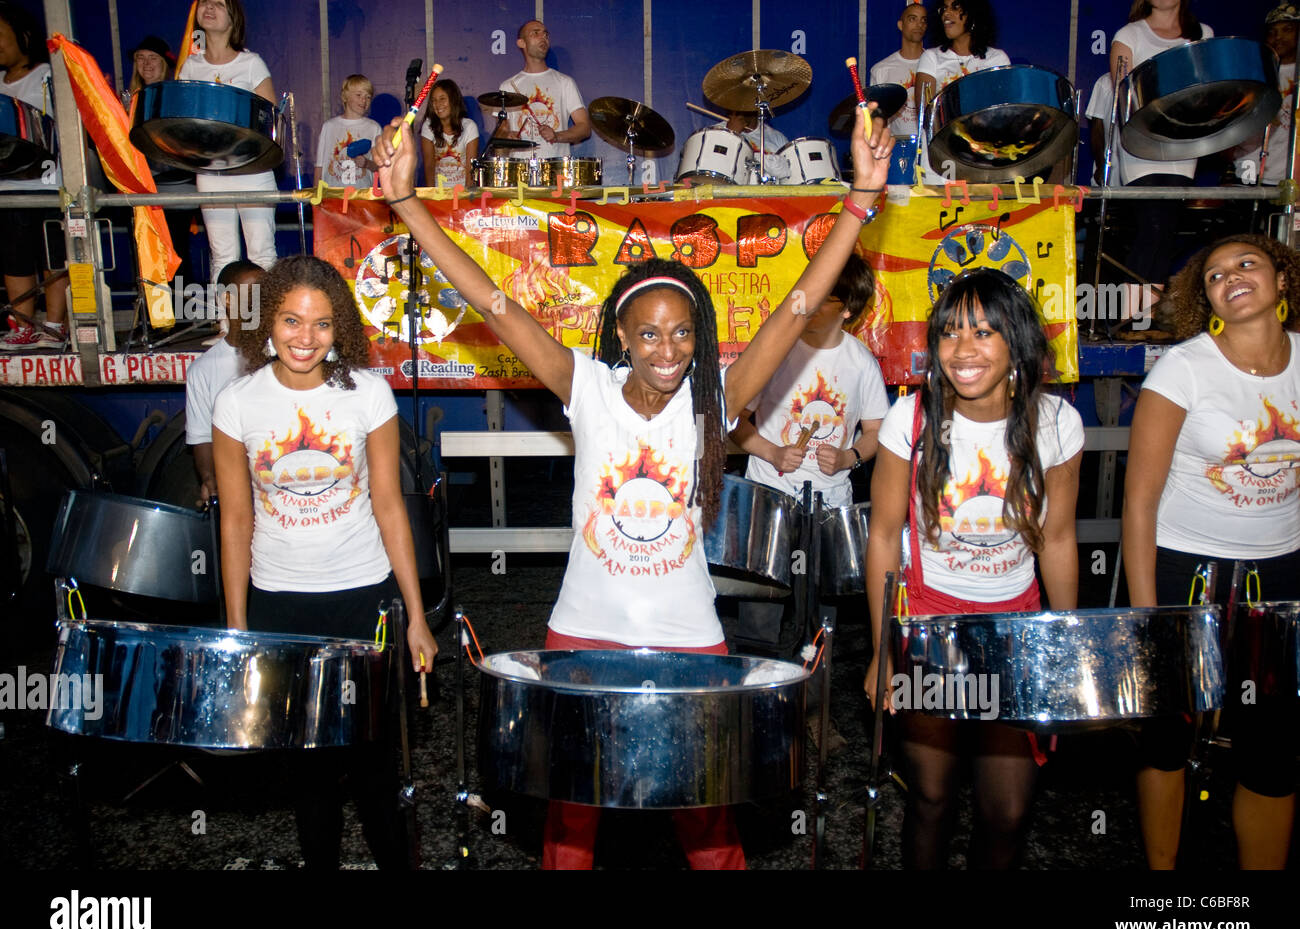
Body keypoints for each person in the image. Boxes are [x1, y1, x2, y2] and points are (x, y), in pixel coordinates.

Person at [374, 93, 894, 869]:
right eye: (648, 332)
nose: (667, 348)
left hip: (690, 638)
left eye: (682, 333)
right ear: (620, 332)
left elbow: (795, 307)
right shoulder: (585, 387)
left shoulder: (713, 399)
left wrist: (859, 202)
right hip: (582, 634)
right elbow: (494, 300)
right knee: (568, 831)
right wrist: (409, 204)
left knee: (712, 830)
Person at [212, 255, 436, 870]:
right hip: (280, 603)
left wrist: (416, 616)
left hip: (364, 598)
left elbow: (391, 505)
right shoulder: (237, 403)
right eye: (290, 320)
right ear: (268, 323)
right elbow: (235, 521)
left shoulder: (369, 393)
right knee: (308, 778)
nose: (304, 338)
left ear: (341, 328)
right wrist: (237, 629)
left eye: (321, 324)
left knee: (375, 770)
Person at [865, 268, 1083, 869]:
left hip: (1016, 632)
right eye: (951, 332)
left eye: (985, 333)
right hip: (930, 631)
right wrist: (886, 649)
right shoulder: (909, 420)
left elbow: (1059, 540)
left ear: (1017, 343)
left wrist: (1066, 645)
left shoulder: (1056, 423)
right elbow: (883, 536)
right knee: (931, 798)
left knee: (1007, 812)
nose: (964, 349)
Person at [1123, 233, 1300, 870]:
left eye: (1246, 264)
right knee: (1169, 739)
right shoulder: (1184, 369)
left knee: (1273, 750)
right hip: (1186, 570)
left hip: (1282, 574)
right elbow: (1138, 503)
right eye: (1215, 276)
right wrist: (1150, 619)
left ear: (1282, 277)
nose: (1230, 277)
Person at [730, 252, 888, 658]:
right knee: (760, 614)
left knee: (821, 620)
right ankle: (757, 693)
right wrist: (772, 451)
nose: (807, 304)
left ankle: (813, 701)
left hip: (829, 507)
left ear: (848, 309)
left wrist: (850, 456)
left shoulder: (860, 363)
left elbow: (876, 432)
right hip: (770, 499)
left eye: (822, 300)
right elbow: (733, 420)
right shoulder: (777, 351)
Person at [1109, 1, 1213, 289]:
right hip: (1142, 145)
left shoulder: (1202, 33)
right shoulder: (1129, 34)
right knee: (1151, 228)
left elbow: (1209, 89)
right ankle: (1132, 319)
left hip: (1183, 145)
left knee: (1166, 232)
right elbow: (1123, 94)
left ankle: (1148, 318)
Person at [179, 0, 277, 278]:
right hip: (211, 172)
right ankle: (226, 322)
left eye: (219, 4)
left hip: (253, 170)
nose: (209, 7)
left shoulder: (250, 63)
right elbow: (185, 124)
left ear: (233, 17)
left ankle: (265, 321)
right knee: (222, 254)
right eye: (205, 2)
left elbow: (269, 120)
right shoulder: (191, 67)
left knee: (262, 253)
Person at [0, 1, 68, 350]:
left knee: (51, 257)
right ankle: (23, 324)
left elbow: (60, 130)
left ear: (23, 36)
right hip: (8, 187)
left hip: (44, 183)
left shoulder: (46, 75)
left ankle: (54, 325)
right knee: (15, 259)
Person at [185, 260, 266, 503]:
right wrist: (210, 480)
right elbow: (201, 437)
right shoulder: (203, 369)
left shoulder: (285, 353)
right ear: (227, 298)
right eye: (252, 291)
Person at [126, 35, 199, 290]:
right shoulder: (129, 101)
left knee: (174, 253)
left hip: (176, 190)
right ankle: (156, 317)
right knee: (144, 256)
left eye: (152, 58)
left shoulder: (177, 98)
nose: (146, 64)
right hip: (141, 192)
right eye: (140, 58)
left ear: (165, 64)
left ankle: (182, 318)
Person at [914, 0, 1009, 184]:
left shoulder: (996, 59)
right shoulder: (932, 57)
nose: (946, 14)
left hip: (983, 162)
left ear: (974, 14)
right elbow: (925, 111)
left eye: (955, 7)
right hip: (939, 162)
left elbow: (1001, 114)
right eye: (944, 8)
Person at [498, 19, 590, 161]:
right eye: (536, 33)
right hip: (520, 171)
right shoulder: (508, 86)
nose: (543, 38)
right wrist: (507, 136)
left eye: (546, 35)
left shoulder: (564, 82)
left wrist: (557, 136)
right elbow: (501, 131)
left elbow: (584, 128)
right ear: (521, 43)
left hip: (556, 169)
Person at [1230, 4, 1299, 188]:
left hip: (1290, 173)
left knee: (1282, 216)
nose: (1278, 37)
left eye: (1287, 30)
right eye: (1272, 31)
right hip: (1249, 163)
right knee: (1247, 213)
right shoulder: (1253, 74)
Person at [870, 0, 929, 138]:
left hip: (929, 149)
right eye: (912, 19)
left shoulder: (936, 65)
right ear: (900, 25)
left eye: (923, 20)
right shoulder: (881, 70)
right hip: (895, 149)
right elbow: (877, 119)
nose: (919, 25)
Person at [315, 74, 381, 189]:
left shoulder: (374, 128)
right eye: (358, 95)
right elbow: (320, 166)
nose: (364, 100)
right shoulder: (329, 127)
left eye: (368, 97)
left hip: (361, 196)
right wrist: (316, 196)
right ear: (345, 97)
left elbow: (379, 166)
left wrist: (366, 163)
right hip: (332, 196)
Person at [420, 78, 478, 188]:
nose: (438, 104)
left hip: (461, 192)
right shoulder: (428, 126)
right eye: (434, 100)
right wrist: (432, 197)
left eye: (442, 99)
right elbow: (429, 167)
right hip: (438, 193)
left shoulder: (469, 127)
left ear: (453, 100)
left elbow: (471, 170)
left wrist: (465, 198)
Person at [710, 110, 790, 184]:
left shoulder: (777, 138)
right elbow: (713, 167)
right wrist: (731, 135)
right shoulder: (716, 132)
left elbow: (789, 173)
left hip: (771, 196)